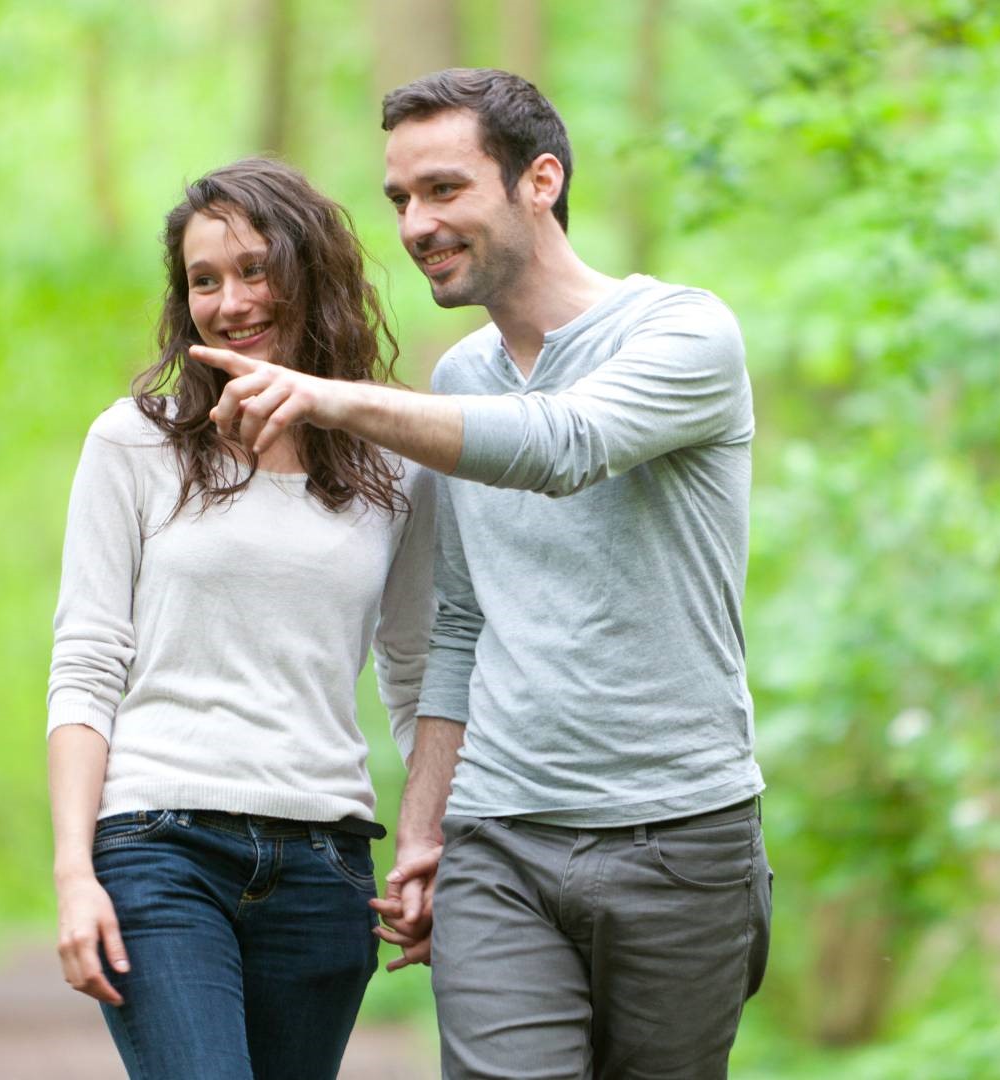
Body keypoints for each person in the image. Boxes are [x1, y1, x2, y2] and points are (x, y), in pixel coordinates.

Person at [193, 69, 768, 1079]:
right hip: (501, 843)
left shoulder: (682, 334)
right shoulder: (461, 380)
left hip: (683, 836)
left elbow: (563, 444)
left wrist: (332, 400)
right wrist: (425, 832)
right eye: (401, 199)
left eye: (445, 190)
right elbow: (458, 621)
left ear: (539, 180)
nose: (417, 224)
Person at [45, 158, 435, 1080]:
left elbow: (421, 669)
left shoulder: (394, 462)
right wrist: (74, 871)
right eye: (204, 280)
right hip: (159, 848)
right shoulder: (135, 442)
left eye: (255, 270)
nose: (231, 301)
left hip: (325, 863)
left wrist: (427, 840)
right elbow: (87, 664)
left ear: (313, 274)